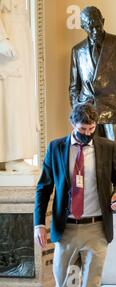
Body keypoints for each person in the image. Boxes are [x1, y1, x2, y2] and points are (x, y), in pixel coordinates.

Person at [33, 103, 116, 287]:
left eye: (91, 128)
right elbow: (43, 188)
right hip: (66, 227)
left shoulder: (107, 147)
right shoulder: (56, 148)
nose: (87, 133)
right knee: (64, 286)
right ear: (73, 124)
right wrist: (39, 223)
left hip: (97, 227)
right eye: (82, 129)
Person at [69, 6, 116, 207]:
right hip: (86, 114)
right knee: (92, 156)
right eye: (89, 26)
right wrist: (77, 114)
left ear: (103, 20)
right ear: (83, 26)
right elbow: (74, 86)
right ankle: (99, 198)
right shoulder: (77, 51)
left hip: (113, 109)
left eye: (96, 24)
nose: (94, 29)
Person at [0, 0, 38, 172]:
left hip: (18, 33)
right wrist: (1, 39)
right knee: (10, 97)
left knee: (20, 97)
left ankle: (11, 155)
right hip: (8, 37)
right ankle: (12, 156)